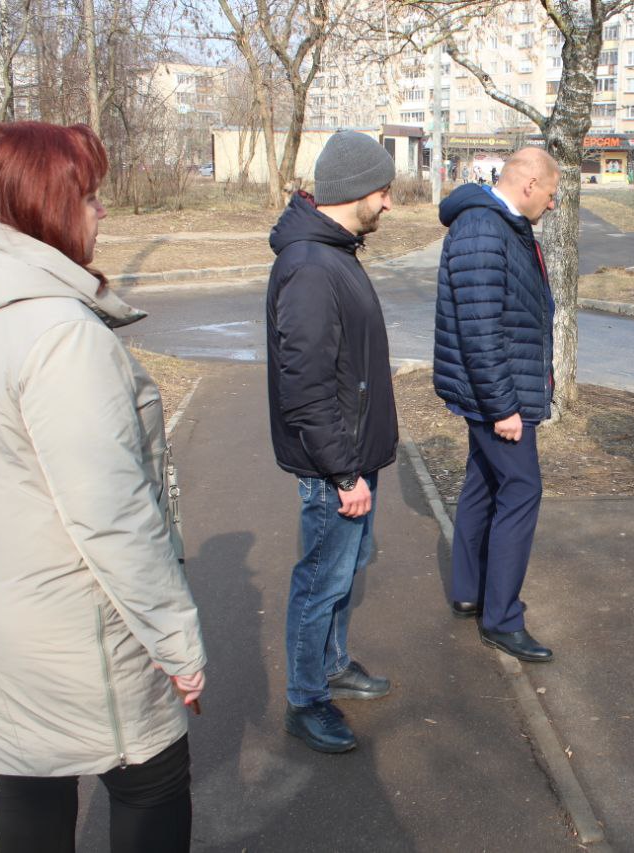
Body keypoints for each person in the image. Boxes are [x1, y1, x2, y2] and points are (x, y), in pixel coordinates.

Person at [0, 120, 206, 852]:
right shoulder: (59, 335)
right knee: (152, 774)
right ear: (41, 205)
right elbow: (112, 518)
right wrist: (178, 642)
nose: (101, 211)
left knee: (28, 770)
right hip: (73, 633)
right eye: (88, 195)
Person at [266, 130, 400, 754]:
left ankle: (332, 665)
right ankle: (305, 698)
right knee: (321, 580)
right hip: (334, 466)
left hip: (351, 457)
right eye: (384, 192)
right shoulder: (311, 266)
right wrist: (344, 475)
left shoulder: (334, 251)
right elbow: (307, 386)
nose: (389, 205)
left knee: (347, 572)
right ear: (355, 192)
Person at [433, 147, 559, 663]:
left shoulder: (498, 224)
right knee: (522, 488)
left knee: (484, 481)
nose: (553, 206)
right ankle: (502, 618)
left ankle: (469, 590)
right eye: (551, 194)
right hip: (498, 393)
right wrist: (504, 407)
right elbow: (480, 330)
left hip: (496, 388)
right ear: (528, 184)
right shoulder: (484, 229)